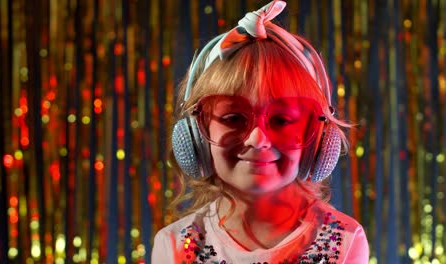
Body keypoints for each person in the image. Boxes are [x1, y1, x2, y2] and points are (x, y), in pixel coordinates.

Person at [152, 1, 369, 263]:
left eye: (282, 119)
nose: (258, 139)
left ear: (318, 138)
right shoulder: (175, 245)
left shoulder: (345, 241)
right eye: (233, 118)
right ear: (196, 133)